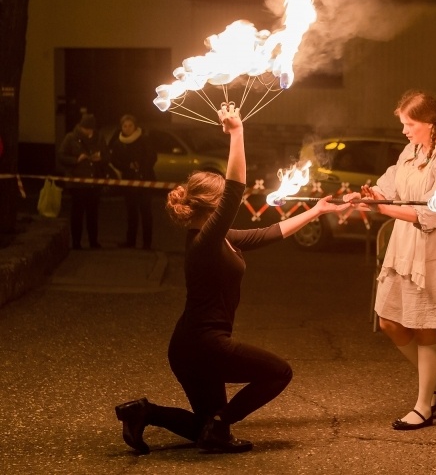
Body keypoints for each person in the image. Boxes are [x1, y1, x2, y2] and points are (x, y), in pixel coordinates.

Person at [114, 105, 350, 454]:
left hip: (188, 346)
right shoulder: (205, 241)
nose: (231, 201)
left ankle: (144, 412)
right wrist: (237, 133)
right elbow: (236, 187)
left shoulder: (218, 239)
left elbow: (268, 233)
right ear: (214, 205)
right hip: (204, 345)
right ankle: (221, 425)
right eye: (224, 197)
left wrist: (316, 210)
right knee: (279, 372)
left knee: (204, 426)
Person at [344, 90, 436, 430]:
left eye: (409, 124)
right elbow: (390, 187)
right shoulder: (410, 151)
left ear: (429, 123)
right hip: (404, 241)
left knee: (424, 324)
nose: (404, 130)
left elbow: (433, 212)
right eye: (403, 124)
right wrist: (369, 196)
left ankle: (424, 406)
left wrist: (383, 209)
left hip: (433, 244)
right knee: (389, 320)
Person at [57, 109, 109, 249]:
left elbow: (106, 157)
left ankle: (93, 241)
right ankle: (76, 242)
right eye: (85, 128)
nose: (87, 132)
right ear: (80, 127)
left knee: (93, 213)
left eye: (90, 129)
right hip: (77, 183)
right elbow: (61, 156)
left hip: (94, 182)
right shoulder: (71, 138)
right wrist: (76, 160)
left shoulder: (99, 138)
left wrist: (100, 158)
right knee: (77, 214)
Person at [109, 114, 157, 249]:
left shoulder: (144, 139)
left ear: (135, 126)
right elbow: (114, 160)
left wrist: (142, 169)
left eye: (130, 125)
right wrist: (127, 166)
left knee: (146, 212)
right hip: (129, 182)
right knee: (131, 213)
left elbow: (152, 157)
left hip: (145, 180)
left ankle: (147, 243)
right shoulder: (119, 143)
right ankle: (130, 241)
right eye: (125, 126)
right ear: (121, 127)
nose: (127, 128)